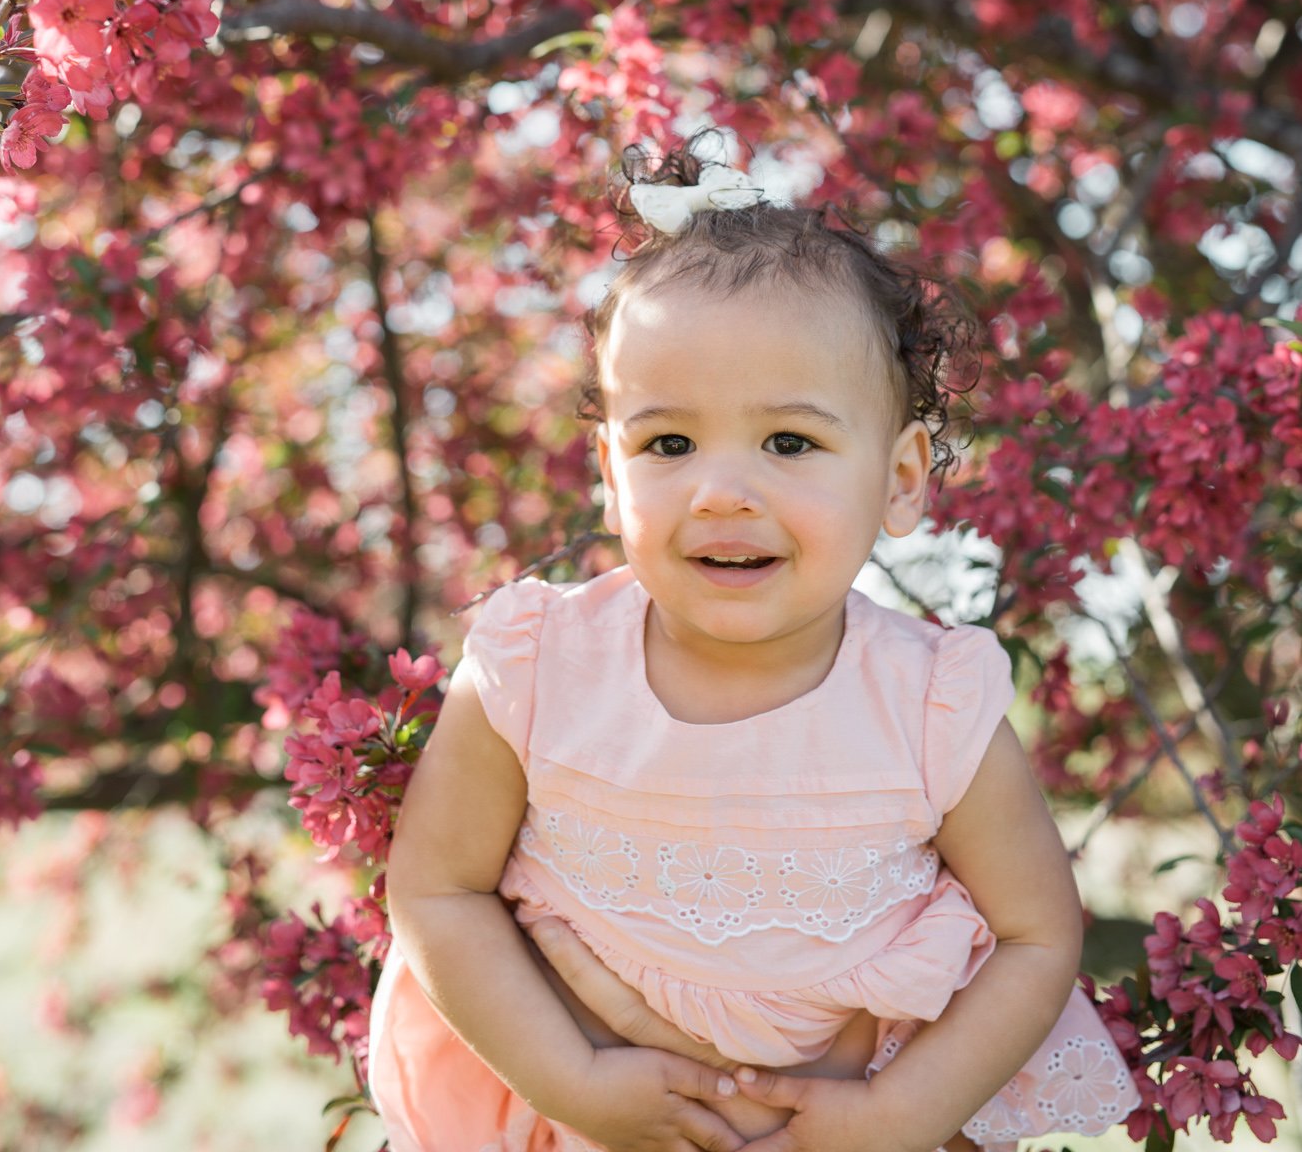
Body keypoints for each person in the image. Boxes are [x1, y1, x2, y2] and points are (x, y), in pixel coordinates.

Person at [369, 141, 1141, 1152]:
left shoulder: (928, 702)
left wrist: (896, 1115)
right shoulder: (536, 665)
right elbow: (435, 887)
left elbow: (1038, 937)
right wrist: (574, 1081)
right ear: (611, 472)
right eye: (669, 443)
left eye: (788, 441)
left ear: (903, 475)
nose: (720, 490)